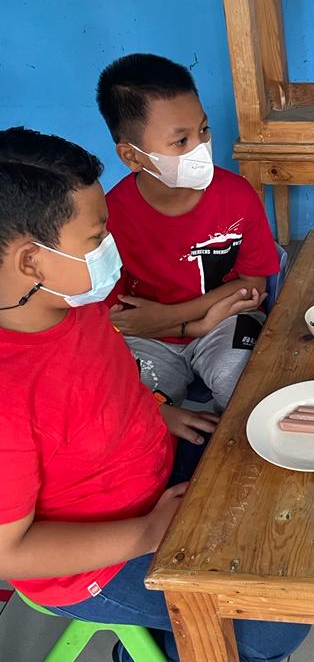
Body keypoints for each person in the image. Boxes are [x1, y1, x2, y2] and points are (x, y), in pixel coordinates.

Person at [0, 127, 308, 662]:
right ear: (31, 261)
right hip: (98, 560)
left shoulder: (74, 304)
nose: (111, 250)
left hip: (158, 468)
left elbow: (101, 383)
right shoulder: (9, 395)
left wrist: (161, 412)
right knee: (276, 624)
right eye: (97, 237)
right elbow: (10, 553)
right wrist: (147, 533)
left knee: (283, 464)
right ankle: (151, 656)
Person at [97, 53, 279, 416]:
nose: (201, 148)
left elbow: (253, 286)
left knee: (247, 393)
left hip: (226, 320)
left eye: (204, 130)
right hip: (149, 339)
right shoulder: (109, 217)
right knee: (134, 410)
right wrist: (173, 325)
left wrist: (181, 320)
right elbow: (120, 318)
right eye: (180, 141)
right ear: (132, 156)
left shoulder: (237, 195)